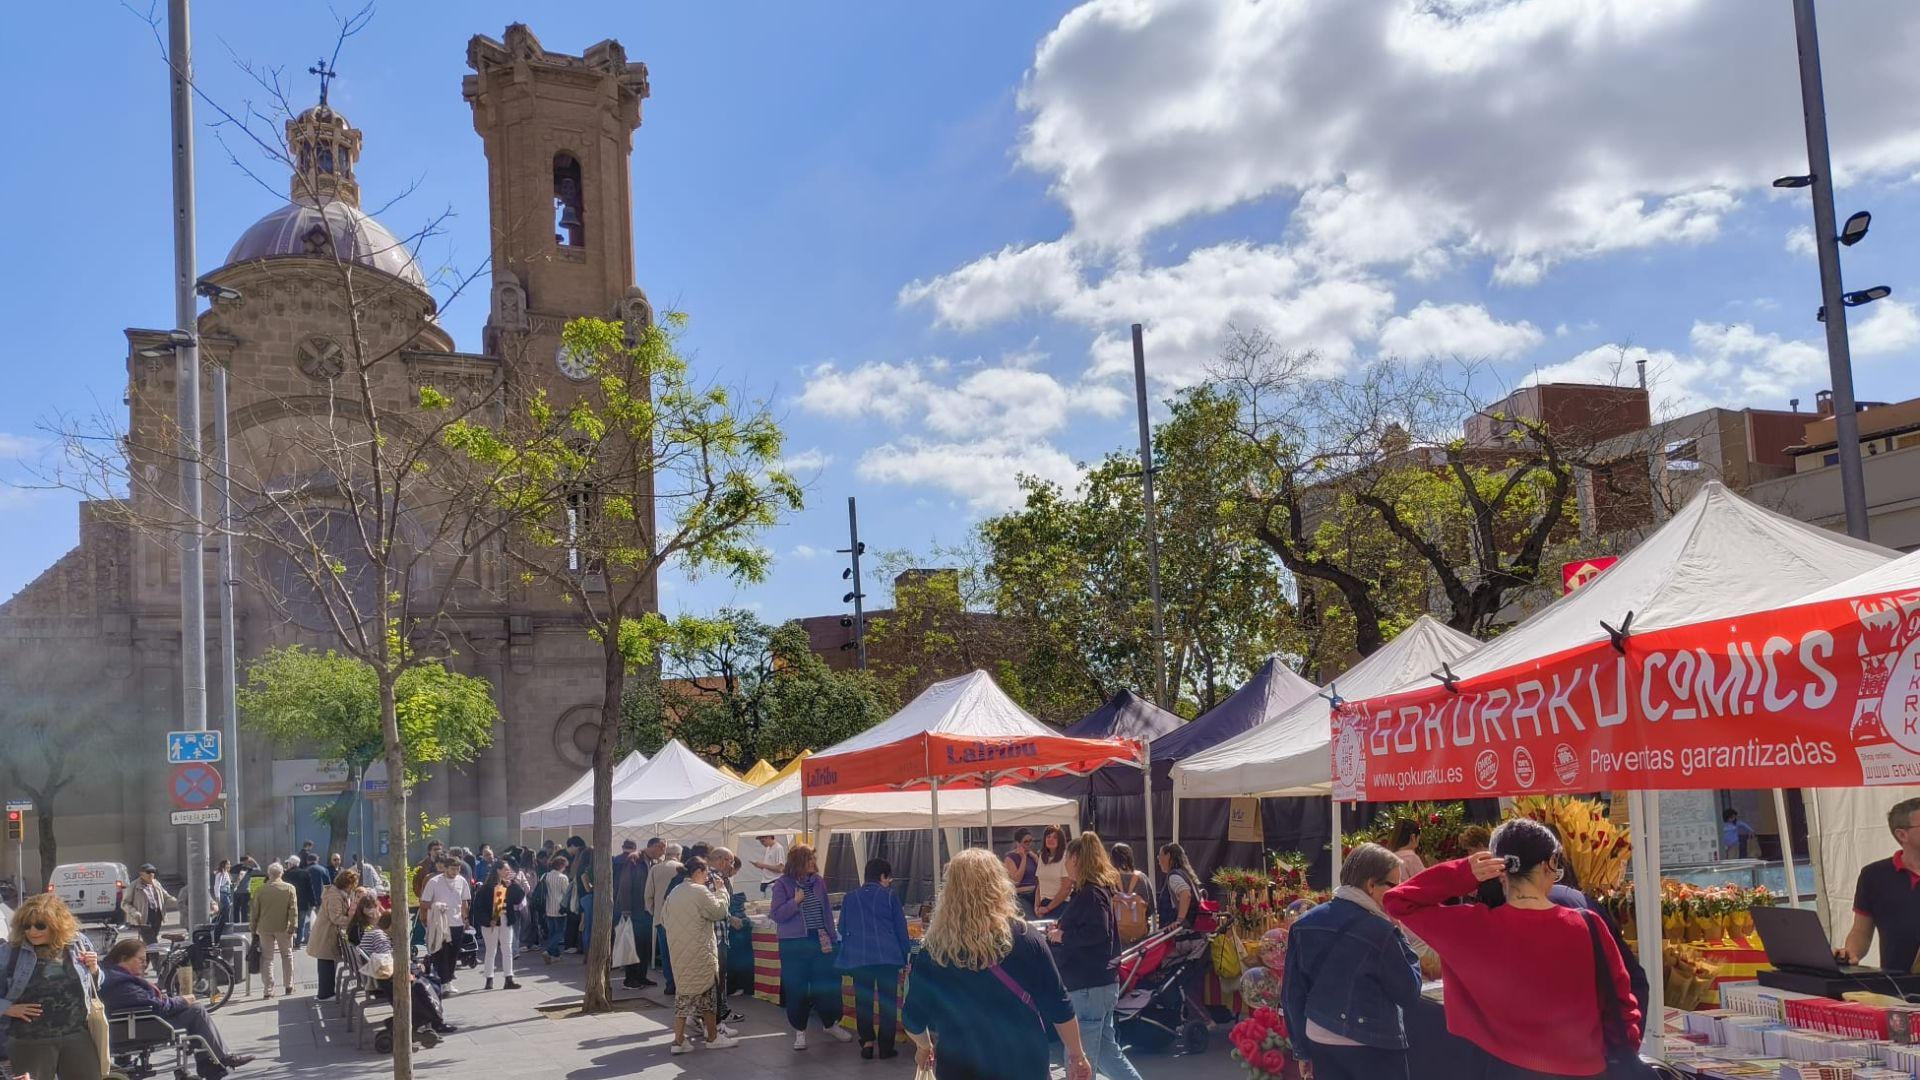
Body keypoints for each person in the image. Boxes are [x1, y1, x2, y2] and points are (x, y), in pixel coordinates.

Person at [1386, 818, 1641, 1080]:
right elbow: (1621, 1004)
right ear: (1551, 863)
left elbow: (1398, 900)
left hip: (1504, 1068)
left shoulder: (1472, 927)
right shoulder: (1589, 926)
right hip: (1586, 1069)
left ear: (1499, 870)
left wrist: (1464, 872)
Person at [902, 848, 1092, 1080]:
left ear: (949, 892)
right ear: (999, 885)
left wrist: (924, 1046)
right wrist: (1077, 1055)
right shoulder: (1025, 937)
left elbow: (912, 1017)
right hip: (1024, 1065)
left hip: (960, 1069)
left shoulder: (933, 951)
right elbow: (1059, 1004)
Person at [1281, 843, 1420, 1080]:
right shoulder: (1382, 932)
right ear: (1371, 885)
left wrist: (1302, 1051)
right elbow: (1408, 991)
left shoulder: (1305, 923)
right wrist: (1401, 937)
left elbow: (1292, 993)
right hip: (1373, 1043)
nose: (1398, 891)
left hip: (1321, 1038)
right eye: (1394, 885)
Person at [1047, 832, 1146, 1080]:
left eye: (1068, 857)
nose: (1065, 863)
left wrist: (1063, 936)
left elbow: (1098, 932)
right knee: (1106, 1055)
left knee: (1081, 1062)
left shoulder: (1090, 893)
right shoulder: (1095, 892)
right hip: (1098, 985)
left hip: (1088, 987)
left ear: (1077, 858)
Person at [98, 938, 254, 1079]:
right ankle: (220, 1059)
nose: (145, 964)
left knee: (193, 1011)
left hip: (142, 1021)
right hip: (145, 1025)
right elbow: (157, 1007)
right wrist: (182, 1000)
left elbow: (148, 1003)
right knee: (196, 1011)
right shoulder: (120, 983)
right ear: (124, 959)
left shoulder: (113, 975)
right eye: (141, 960)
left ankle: (210, 1063)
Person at [0, 894, 104, 1080]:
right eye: (26, 926)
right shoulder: (9, 952)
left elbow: (96, 985)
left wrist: (95, 969)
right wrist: (7, 1008)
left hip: (76, 1034)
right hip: (30, 1039)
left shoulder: (77, 943)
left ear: (57, 925)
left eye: (40, 925)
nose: (32, 931)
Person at [769, 844, 848, 1050]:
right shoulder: (782, 885)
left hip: (820, 941)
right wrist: (795, 902)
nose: (814, 863)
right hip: (793, 945)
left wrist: (833, 937)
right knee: (797, 988)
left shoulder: (818, 882)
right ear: (798, 862)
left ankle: (831, 1023)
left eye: (813, 859)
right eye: (809, 860)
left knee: (828, 985)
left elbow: (827, 913)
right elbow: (776, 915)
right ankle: (799, 1031)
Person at [659, 856, 739, 1055]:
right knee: (709, 995)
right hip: (700, 950)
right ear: (699, 872)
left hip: (679, 952)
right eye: (705, 874)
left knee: (684, 997)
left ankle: (679, 1041)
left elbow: (664, 918)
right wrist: (721, 891)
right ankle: (712, 1037)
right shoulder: (700, 891)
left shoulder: (675, 892)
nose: (707, 878)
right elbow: (719, 911)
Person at [838, 857, 911, 1061]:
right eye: (889, 878)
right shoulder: (890, 897)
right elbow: (901, 930)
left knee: (864, 1001)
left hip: (859, 958)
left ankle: (868, 1042)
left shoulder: (850, 897)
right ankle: (886, 1047)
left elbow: (841, 928)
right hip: (887, 958)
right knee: (887, 1002)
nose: (889, 882)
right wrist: (905, 957)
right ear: (882, 877)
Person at [1838, 796, 1920, 970]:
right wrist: (1850, 953)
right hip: (1896, 988)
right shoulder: (1873, 875)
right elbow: (1861, 931)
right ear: (1902, 834)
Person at [309, 868, 364, 1002]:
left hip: (327, 933)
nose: (354, 886)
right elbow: (336, 918)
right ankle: (325, 994)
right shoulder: (335, 896)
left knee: (326, 962)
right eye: (353, 883)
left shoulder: (336, 893)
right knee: (326, 963)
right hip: (326, 933)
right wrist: (352, 920)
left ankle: (326, 992)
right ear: (348, 883)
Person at [419, 858, 473, 992]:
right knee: (441, 953)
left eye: (457, 869)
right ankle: (443, 982)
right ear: (445, 868)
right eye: (452, 869)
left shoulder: (462, 881)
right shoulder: (434, 882)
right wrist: (435, 906)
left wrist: (465, 918)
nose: (455, 872)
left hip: (457, 923)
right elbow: (424, 902)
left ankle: (448, 981)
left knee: (454, 954)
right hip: (439, 923)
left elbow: (464, 901)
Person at [471, 862, 524, 991]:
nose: (508, 872)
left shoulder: (508, 885)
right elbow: (478, 907)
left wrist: (515, 884)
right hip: (492, 922)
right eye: (506, 869)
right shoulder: (486, 888)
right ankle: (489, 979)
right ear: (498, 871)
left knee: (507, 949)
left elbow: (518, 899)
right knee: (491, 950)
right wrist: (487, 920)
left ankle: (509, 978)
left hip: (506, 919)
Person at [249, 862, 300, 998]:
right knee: (287, 955)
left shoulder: (260, 890)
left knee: (267, 958)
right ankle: (289, 985)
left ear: (268, 874)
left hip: (264, 927)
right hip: (283, 927)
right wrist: (293, 927)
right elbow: (293, 910)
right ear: (282, 873)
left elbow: (254, 912)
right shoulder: (289, 888)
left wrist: (253, 928)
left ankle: (268, 989)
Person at [611, 841, 655, 989]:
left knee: (644, 946)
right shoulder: (635, 860)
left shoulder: (650, 861)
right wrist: (626, 908)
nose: (663, 850)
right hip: (633, 909)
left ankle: (641, 977)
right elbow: (625, 884)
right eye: (661, 847)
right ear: (652, 846)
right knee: (633, 946)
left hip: (645, 910)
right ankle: (630, 979)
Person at [646, 844, 685, 994]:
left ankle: (670, 983)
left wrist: (654, 912)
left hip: (660, 918)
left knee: (666, 953)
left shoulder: (655, 869)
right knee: (680, 952)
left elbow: (648, 895)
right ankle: (680, 982)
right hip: (680, 918)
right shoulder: (684, 868)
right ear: (679, 854)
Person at [1108, 843, 1153, 945]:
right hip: (1139, 935)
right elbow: (1150, 908)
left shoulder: (1108, 879)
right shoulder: (1142, 878)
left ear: (1112, 859)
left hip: (1116, 936)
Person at [1156, 843, 1204, 931]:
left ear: (1168, 856)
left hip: (1180, 934)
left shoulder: (1174, 876)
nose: (1159, 861)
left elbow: (1185, 894)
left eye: (1160, 856)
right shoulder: (1185, 874)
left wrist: (1179, 920)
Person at [128, 863, 176, 946]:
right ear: (141, 874)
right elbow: (125, 903)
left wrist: (179, 902)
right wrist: (134, 912)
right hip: (143, 918)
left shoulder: (156, 883)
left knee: (151, 940)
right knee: (151, 941)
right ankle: (155, 958)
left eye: (153, 872)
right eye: (148, 872)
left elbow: (166, 897)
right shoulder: (134, 885)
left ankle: (146, 957)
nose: (151, 874)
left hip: (157, 915)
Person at [1034, 824, 1072, 918]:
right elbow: (1040, 885)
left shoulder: (1065, 858)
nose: (1050, 839)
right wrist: (1036, 906)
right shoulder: (1042, 857)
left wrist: (1048, 908)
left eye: (1055, 837)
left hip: (1061, 905)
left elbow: (1066, 888)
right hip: (1043, 905)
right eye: (1048, 836)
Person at [540, 855, 572, 963]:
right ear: (562, 866)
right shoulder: (563, 878)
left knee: (552, 932)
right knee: (560, 932)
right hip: (560, 908)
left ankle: (556, 955)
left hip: (549, 907)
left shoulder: (546, 876)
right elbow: (566, 893)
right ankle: (548, 951)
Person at [1005, 830, 1040, 916]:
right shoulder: (1010, 858)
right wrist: (1023, 858)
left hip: (1037, 894)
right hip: (1022, 895)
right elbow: (1016, 881)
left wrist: (1036, 859)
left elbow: (1042, 875)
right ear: (1018, 843)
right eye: (1026, 841)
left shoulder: (1032, 856)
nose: (1029, 844)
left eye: (1031, 841)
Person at [289, 854, 318, 948]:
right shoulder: (305, 873)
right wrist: (313, 902)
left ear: (290, 863)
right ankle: (298, 943)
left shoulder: (286, 874)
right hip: (303, 903)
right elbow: (310, 889)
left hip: (290, 903)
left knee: (290, 923)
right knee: (301, 923)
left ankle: (291, 940)